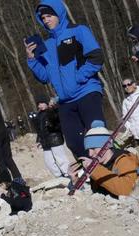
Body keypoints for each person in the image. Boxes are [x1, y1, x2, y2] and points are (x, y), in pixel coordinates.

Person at [26, 1, 106, 158]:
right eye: (43, 18)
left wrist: (79, 78)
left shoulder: (79, 30)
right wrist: (32, 60)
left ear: (59, 14)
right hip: (65, 101)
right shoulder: (47, 45)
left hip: (87, 92)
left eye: (49, 16)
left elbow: (96, 57)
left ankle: (116, 167)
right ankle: (89, 171)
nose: (46, 20)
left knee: (97, 139)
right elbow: (45, 77)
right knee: (74, 143)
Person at [70, 121, 139, 197]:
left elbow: (128, 191)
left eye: (93, 148)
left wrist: (95, 170)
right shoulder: (99, 163)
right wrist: (75, 181)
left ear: (107, 147)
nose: (90, 154)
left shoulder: (124, 160)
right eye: (88, 150)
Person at [34, 95, 72, 177]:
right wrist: (39, 140)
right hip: (45, 142)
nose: (40, 105)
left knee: (61, 159)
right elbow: (39, 129)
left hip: (55, 138)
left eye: (42, 103)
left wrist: (53, 109)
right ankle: (59, 176)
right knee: (49, 162)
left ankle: (68, 174)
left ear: (46, 103)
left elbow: (57, 120)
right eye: (38, 104)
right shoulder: (38, 115)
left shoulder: (52, 110)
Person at [121, 78, 139, 145]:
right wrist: (130, 128)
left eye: (129, 84)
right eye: (124, 86)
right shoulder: (125, 101)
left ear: (134, 84)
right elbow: (125, 117)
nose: (127, 87)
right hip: (136, 136)